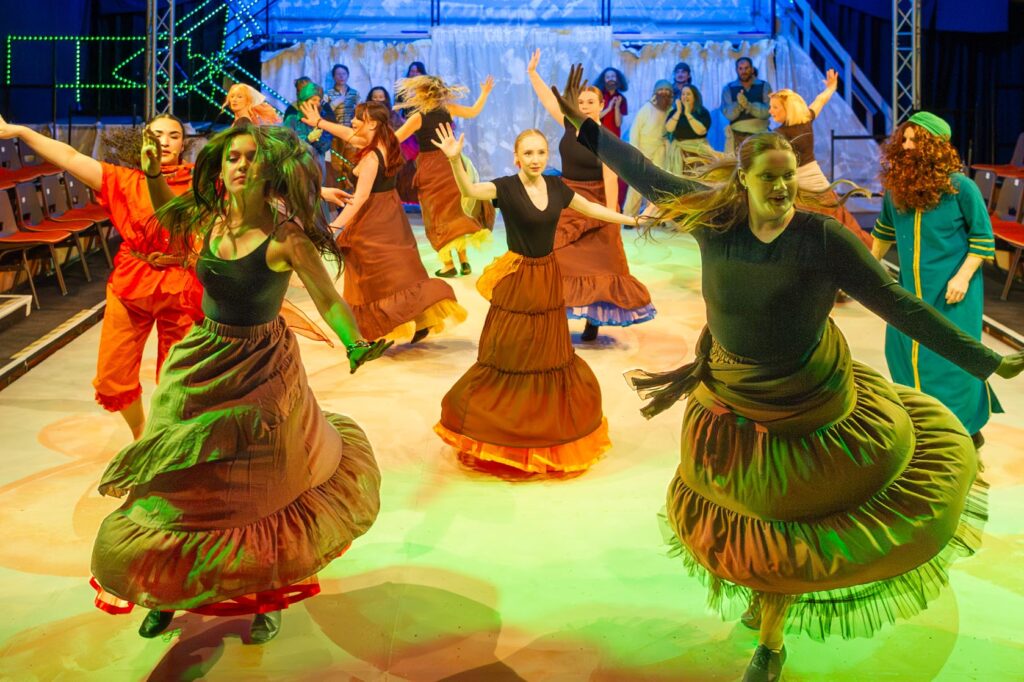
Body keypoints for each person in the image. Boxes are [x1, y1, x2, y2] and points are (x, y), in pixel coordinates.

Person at [552, 64, 1024, 682]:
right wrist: (585, 128)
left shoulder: (824, 239)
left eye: (787, 178)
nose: (780, 189)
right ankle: (764, 595)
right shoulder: (715, 220)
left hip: (806, 407)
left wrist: (986, 360)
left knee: (784, 525)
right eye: (768, 178)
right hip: (730, 396)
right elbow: (645, 172)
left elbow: (902, 308)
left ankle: (771, 642)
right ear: (743, 181)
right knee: (746, 516)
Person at [90, 124, 391, 644]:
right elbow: (168, 214)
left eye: (251, 158)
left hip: (261, 370)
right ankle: (165, 589)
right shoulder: (209, 218)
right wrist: (155, 174)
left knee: (260, 492)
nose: (240, 166)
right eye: (232, 157)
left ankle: (265, 597)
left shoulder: (287, 237)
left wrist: (354, 342)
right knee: (178, 483)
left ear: (270, 171)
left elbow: (328, 299)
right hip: (201, 359)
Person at [431, 123, 643, 476]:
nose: (535, 158)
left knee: (547, 353)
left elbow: (591, 208)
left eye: (541, 152)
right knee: (511, 354)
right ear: (516, 157)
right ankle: (503, 423)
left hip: (547, 277)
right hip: (518, 280)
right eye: (528, 153)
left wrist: (631, 219)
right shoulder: (504, 187)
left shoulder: (557, 187)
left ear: (548, 155)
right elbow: (469, 189)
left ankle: (541, 423)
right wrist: (455, 160)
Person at [0, 113, 202, 439]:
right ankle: (140, 435)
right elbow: (69, 157)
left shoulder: (200, 181)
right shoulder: (123, 180)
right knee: (112, 377)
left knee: (181, 375)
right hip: (131, 282)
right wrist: (21, 131)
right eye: (156, 135)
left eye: (173, 136)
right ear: (143, 141)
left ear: (183, 144)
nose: (164, 142)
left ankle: (169, 439)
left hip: (183, 283)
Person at [873, 112, 1002, 447]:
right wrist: (865, 271)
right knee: (902, 354)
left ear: (934, 146)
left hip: (952, 294)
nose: (906, 146)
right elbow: (883, 234)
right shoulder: (896, 190)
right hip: (908, 293)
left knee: (951, 364)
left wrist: (962, 277)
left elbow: (982, 239)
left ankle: (966, 434)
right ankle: (920, 427)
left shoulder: (960, 187)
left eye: (915, 140)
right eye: (904, 139)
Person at [528, 50, 655, 341]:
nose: (584, 106)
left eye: (590, 102)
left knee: (599, 263)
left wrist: (612, 217)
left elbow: (611, 179)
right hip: (568, 200)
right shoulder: (568, 123)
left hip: (596, 201)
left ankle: (592, 319)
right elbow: (548, 99)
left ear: (601, 106)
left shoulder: (605, 138)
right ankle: (558, 315)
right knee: (560, 259)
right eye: (581, 102)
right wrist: (533, 73)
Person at [330, 102, 466, 343]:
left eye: (358, 118)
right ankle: (419, 318)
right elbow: (348, 134)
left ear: (371, 124)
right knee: (402, 268)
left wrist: (333, 227)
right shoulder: (388, 142)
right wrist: (320, 123)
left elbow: (360, 198)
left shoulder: (372, 157)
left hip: (373, 218)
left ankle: (381, 323)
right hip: (391, 214)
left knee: (373, 272)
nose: (352, 122)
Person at [392, 74, 496, 277]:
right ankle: (464, 261)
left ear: (422, 93)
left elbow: (396, 139)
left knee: (437, 214)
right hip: (452, 162)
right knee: (456, 212)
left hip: (431, 168)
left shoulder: (418, 117)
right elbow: (473, 111)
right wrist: (484, 93)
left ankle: (449, 265)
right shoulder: (448, 109)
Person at [768, 69, 872, 248]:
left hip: (805, 187)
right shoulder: (805, 119)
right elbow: (820, 101)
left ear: (788, 108)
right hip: (812, 184)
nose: (770, 111)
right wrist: (831, 88)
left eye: (775, 107)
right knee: (841, 223)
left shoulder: (780, 134)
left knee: (824, 226)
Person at [623, 80, 672, 217]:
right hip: (642, 151)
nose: (664, 93)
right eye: (661, 90)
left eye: (667, 91)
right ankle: (629, 216)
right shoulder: (647, 108)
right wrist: (634, 152)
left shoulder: (670, 110)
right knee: (636, 185)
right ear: (655, 92)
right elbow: (635, 131)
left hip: (660, 152)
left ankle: (653, 217)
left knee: (657, 186)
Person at [284, 82, 335, 181]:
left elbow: (326, 145)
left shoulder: (323, 120)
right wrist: (308, 139)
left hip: (318, 167)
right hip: (298, 168)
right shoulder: (292, 119)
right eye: (314, 100)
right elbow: (288, 146)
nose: (317, 103)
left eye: (319, 100)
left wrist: (317, 136)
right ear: (304, 101)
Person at [721, 57, 772, 151]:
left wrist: (749, 106)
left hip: (761, 134)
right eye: (740, 68)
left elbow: (768, 111)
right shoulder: (728, 88)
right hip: (738, 136)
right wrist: (739, 105)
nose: (743, 71)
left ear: (752, 69)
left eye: (746, 68)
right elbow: (728, 115)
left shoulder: (764, 85)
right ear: (736, 70)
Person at [665, 84, 713, 175]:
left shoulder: (702, 112)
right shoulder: (674, 112)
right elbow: (669, 128)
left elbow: (701, 131)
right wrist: (678, 112)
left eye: (688, 94)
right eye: (683, 94)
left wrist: (688, 114)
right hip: (679, 151)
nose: (685, 96)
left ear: (695, 97)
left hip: (698, 151)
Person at [595, 67, 628, 138]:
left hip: (614, 137)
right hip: (599, 136)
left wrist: (617, 107)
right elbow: (594, 118)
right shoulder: (598, 96)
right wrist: (609, 108)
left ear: (617, 79)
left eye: (613, 76)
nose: (610, 79)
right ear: (604, 80)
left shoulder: (622, 98)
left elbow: (618, 124)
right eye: (607, 77)